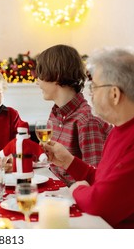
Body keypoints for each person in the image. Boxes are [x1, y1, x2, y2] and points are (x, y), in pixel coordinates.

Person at [42, 47, 134, 229]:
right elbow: (105, 182)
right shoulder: (118, 129)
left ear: (114, 94)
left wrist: (76, 190)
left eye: (94, 87)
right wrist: (70, 162)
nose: (90, 94)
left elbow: (100, 204)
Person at [36, 44, 112, 185]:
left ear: (56, 76)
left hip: (74, 199)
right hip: (55, 190)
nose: (37, 82)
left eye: (40, 75)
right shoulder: (56, 114)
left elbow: (97, 181)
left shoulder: (87, 121)